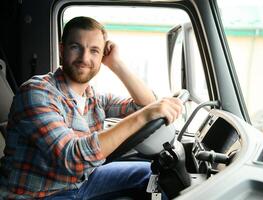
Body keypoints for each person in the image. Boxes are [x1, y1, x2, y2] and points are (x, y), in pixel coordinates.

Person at [0, 16, 182, 199]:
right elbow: (72, 158)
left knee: (152, 176)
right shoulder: (36, 92)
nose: (84, 58)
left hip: (81, 183)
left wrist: (116, 64)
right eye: (75, 47)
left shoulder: (91, 96)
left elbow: (145, 104)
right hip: (38, 194)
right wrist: (143, 116)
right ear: (62, 50)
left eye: (94, 51)